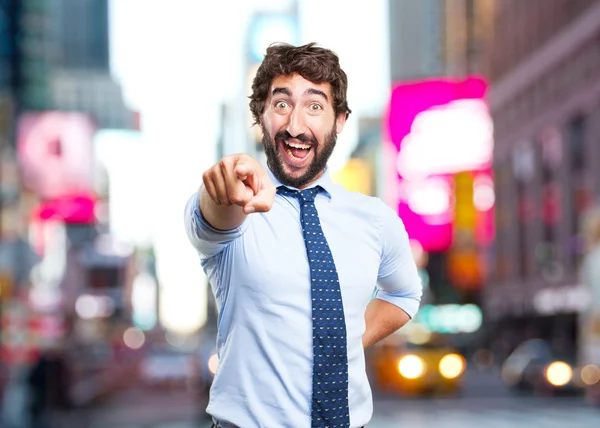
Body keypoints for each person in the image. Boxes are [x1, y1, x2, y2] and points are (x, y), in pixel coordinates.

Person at [184, 42, 422, 428]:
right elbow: (214, 216)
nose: (295, 125)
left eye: (314, 106)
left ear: (340, 120)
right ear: (260, 114)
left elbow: (404, 293)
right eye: (281, 104)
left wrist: (340, 342)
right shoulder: (238, 207)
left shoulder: (375, 219)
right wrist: (227, 185)